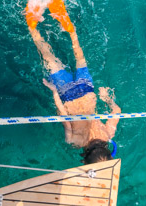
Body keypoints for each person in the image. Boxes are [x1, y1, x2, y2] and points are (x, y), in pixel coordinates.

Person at [25, 0, 121, 164]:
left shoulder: (108, 134)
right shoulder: (74, 142)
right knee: (48, 57)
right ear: (85, 159)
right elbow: (63, 116)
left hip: (87, 91)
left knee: (79, 56)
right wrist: (54, 92)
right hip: (68, 94)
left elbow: (117, 111)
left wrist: (106, 98)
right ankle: (32, 26)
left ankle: (70, 30)